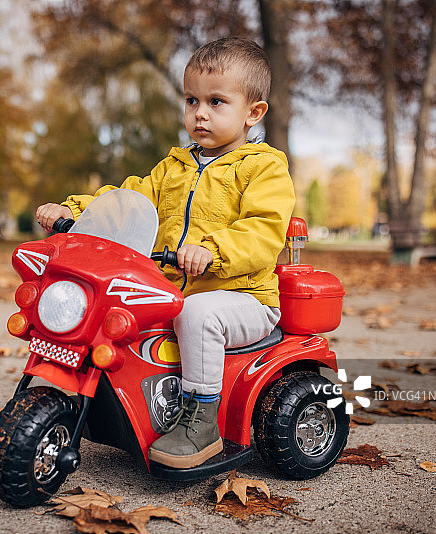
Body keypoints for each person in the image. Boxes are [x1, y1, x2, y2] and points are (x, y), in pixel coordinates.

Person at [36, 36, 295, 469]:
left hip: (244, 298)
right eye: (192, 100)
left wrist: (210, 250)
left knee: (197, 314)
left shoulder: (265, 168)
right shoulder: (172, 167)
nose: (200, 113)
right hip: (175, 290)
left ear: (253, 112)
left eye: (216, 101)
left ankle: (201, 421)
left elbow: (263, 230)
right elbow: (125, 198)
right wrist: (75, 209)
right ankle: (111, 401)